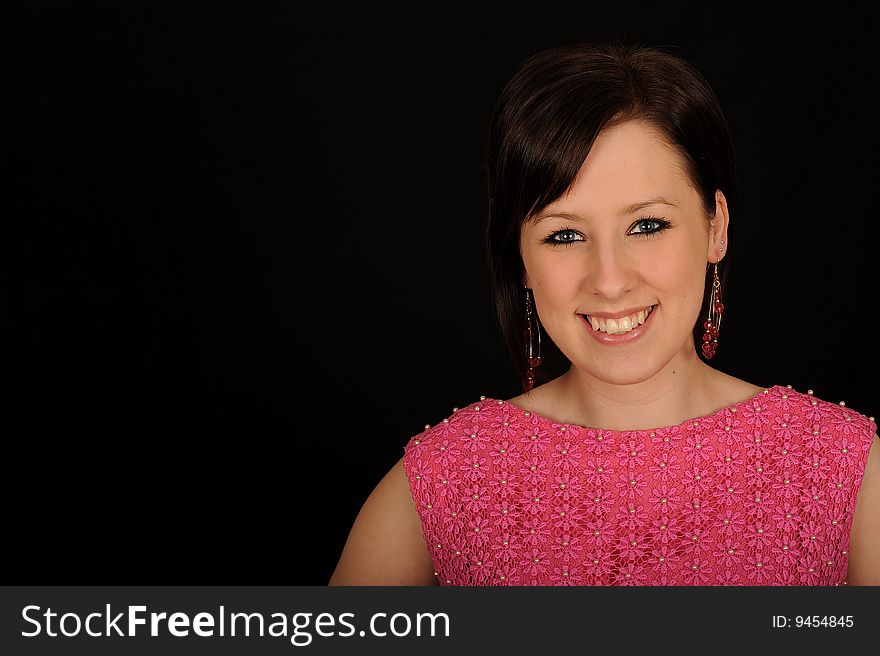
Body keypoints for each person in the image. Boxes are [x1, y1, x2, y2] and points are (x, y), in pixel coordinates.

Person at [328, 42, 879, 586]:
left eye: (647, 226)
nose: (610, 281)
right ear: (518, 258)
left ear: (716, 227)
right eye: (564, 235)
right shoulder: (445, 479)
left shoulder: (841, 469)